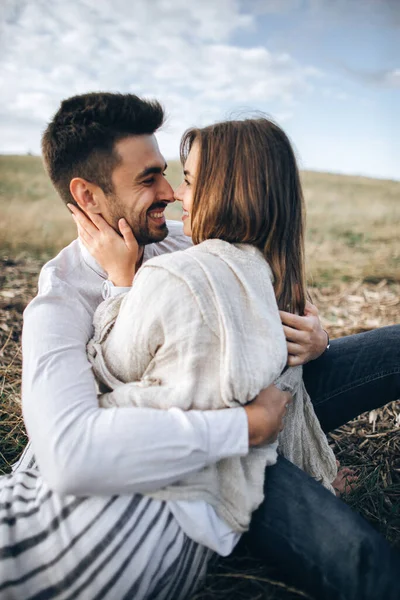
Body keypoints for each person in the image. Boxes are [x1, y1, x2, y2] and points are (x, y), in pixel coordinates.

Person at [1, 92, 397, 600]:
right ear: (89, 195)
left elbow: (261, 272)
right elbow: (72, 453)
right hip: (223, 449)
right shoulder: (59, 302)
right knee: (356, 558)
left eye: (168, 172)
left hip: (266, 388)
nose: (170, 192)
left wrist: (315, 333)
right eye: (148, 179)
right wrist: (245, 427)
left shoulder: (177, 238)